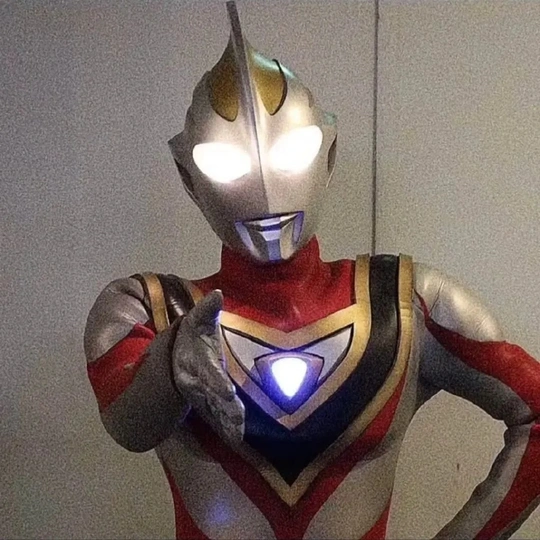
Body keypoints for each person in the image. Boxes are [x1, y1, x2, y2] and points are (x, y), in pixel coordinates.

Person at [84, 3, 540, 538]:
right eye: (225, 163)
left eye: (292, 153)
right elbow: (129, 425)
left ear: (328, 153)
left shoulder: (408, 304)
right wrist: (168, 362)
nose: (264, 187)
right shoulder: (147, 310)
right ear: (189, 177)